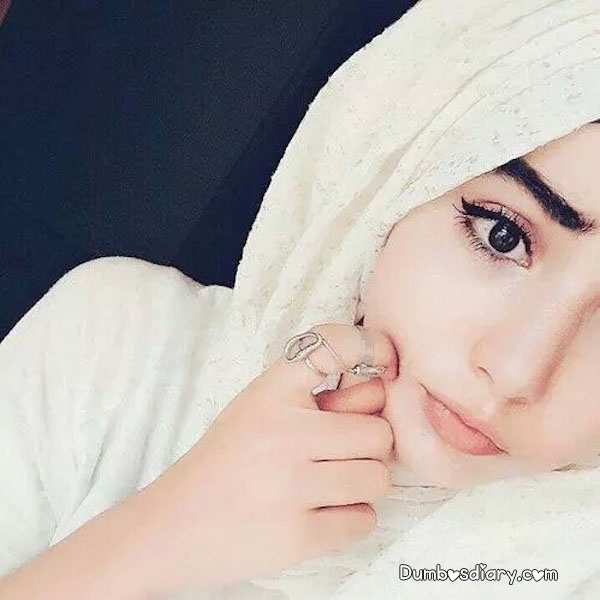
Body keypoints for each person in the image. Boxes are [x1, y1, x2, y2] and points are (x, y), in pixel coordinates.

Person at [1, 1, 600, 599]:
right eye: (503, 235)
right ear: (398, 173)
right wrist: (163, 533)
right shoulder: (118, 349)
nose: (518, 372)